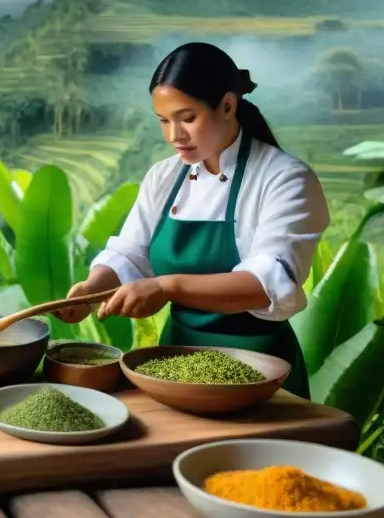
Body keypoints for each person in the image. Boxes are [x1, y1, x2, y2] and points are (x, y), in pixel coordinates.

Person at [56, 42, 329, 398]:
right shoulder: (164, 176)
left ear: (227, 105)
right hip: (174, 365)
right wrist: (92, 290)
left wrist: (168, 287)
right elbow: (131, 254)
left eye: (188, 118)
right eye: (164, 121)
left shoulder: (285, 178)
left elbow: (265, 285)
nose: (174, 136)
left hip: (258, 371)